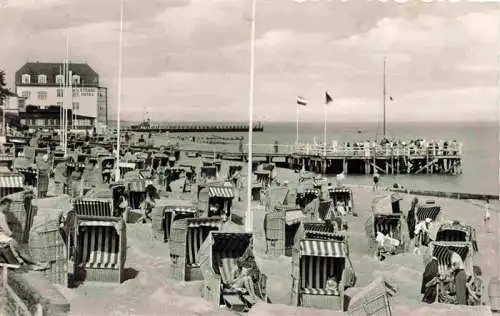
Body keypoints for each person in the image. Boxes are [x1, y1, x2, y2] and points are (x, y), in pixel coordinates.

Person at [0, 199, 49, 270]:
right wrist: (13, 235)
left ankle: (34, 265)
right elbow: (7, 231)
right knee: (22, 252)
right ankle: (38, 264)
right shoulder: (1, 216)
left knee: (19, 254)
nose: (9, 208)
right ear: (2, 205)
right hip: (4, 239)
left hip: (2, 238)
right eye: (8, 206)